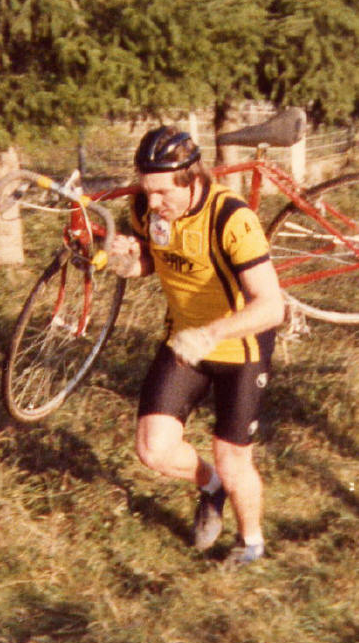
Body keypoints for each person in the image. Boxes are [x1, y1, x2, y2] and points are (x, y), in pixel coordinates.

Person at [107, 126, 286, 563]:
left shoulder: (233, 219)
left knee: (233, 459)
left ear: (192, 178)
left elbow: (271, 307)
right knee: (153, 450)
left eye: (163, 192)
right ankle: (210, 486)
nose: (153, 204)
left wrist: (211, 333)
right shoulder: (144, 205)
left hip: (237, 347)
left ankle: (251, 545)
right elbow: (152, 261)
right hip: (184, 340)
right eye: (146, 191)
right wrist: (128, 262)